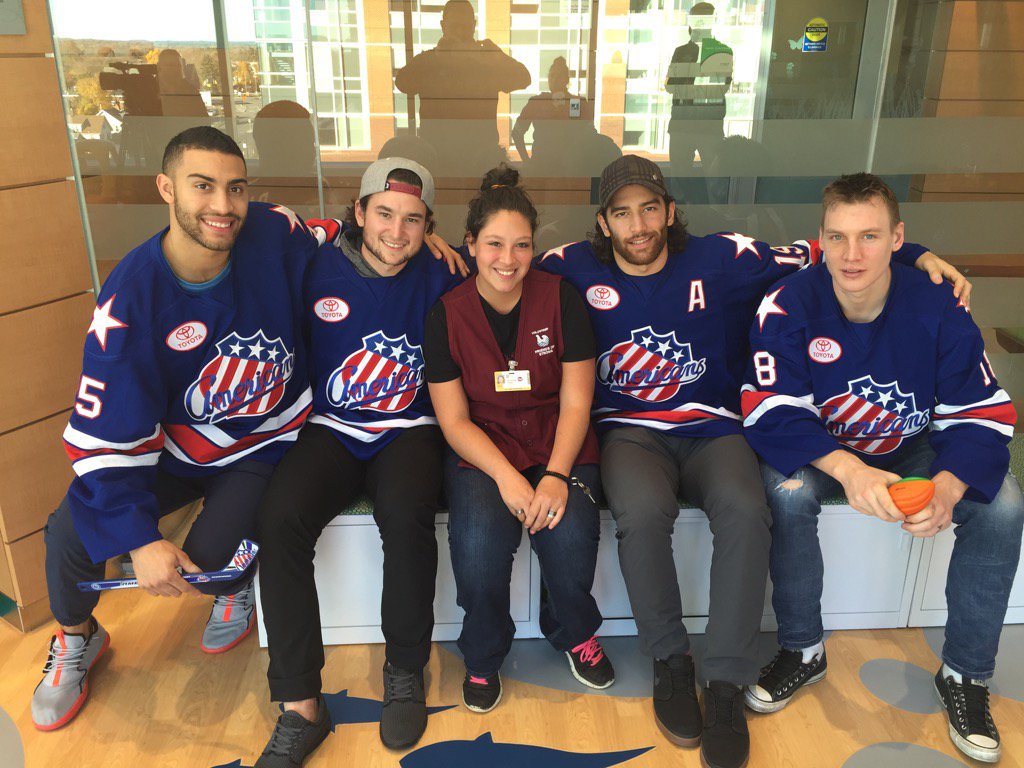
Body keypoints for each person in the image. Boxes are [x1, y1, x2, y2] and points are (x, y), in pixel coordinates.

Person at [535, 155, 969, 768]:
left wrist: (914, 254)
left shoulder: (724, 258)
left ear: (669, 212)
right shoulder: (570, 265)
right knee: (642, 512)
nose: (639, 225)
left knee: (745, 509)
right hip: (631, 434)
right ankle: (670, 661)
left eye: (650, 209)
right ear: (604, 223)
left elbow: (828, 251)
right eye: (623, 213)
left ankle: (725, 681)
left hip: (717, 428)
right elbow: (501, 264)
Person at [32, 126, 316, 731]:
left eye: (235, 188)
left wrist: (429, 243)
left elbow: (354, 237)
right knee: (68, 534)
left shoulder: (274, 230)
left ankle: (235, 584)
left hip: (263, 443)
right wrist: (139, 541)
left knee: (211, 562)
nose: (223, 205)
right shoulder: (130, 299)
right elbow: (106, 432)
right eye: (202, 186)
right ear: (166, 188)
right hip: (172, 448)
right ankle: (77, 638)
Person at [740, 173, 1022, 765]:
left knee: (1003, 507)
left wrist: (948, 485)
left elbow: (982, 411)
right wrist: (849, 470)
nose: (852, 254)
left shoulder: (938, 304)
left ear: (898, 238)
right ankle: (802, 650)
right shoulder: (788, 303)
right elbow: (770, 410)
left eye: (869, 236)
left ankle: (965, 673)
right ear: (820, 238)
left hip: (914, 444)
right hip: (825, 449)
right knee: (787, 494)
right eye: (837, 237)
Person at [254, 158, 462, 766]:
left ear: (429, 227)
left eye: (414, 220)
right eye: (385, 214)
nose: (397, 231)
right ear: (359, 212)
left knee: (407, 512)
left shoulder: (445, 272)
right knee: (279, 520)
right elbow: (258, 232)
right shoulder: (315, 265)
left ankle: (405, 671)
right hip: (331, 428)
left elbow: (509, 268)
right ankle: (301, 704)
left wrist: (455, 247)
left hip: (410, 430)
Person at [423, 166, 614, 714]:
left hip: (557, 442)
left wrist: (555, 476)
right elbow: (454, 421)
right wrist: (506, 477)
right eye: (494, 244)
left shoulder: (562, 298)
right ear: (470, 245)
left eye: (522, 245)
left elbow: (576, 403)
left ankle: (573, 630)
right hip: (484, 450)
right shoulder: (446, 314)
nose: (508, 259)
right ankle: (484, 654)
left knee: (570, 537)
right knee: (479, 549)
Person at [394, 0, 530, 176]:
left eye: (464, 27)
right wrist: (438, 58)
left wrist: (497, 56)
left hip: (477, 161)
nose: (459, 32)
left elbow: (523, 79)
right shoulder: (431, 61)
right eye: (455, 27)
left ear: (473, 25)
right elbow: (403, 82)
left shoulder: (485, 62)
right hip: (442, 160)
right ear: (443, 26)